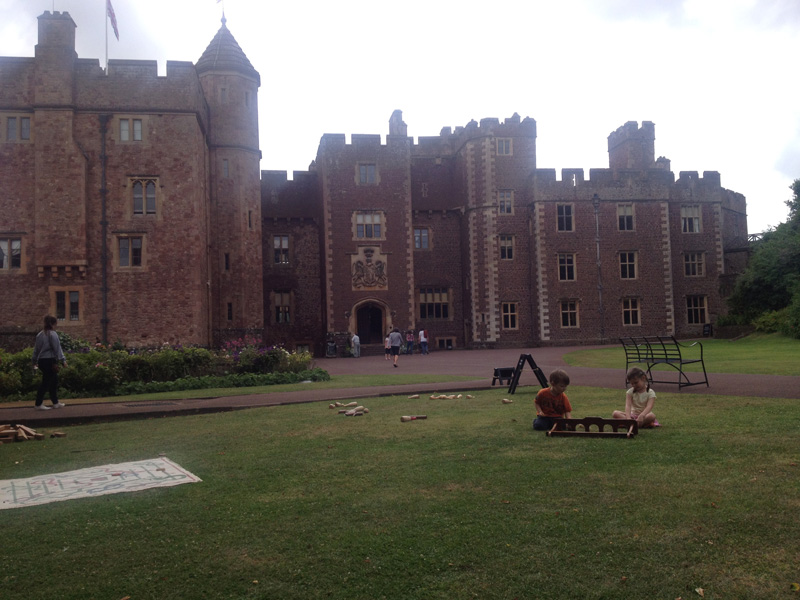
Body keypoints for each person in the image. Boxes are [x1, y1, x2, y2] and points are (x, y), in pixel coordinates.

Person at [31, 315, 67, 410]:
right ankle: (38, 404)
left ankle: (55, 402)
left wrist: (34, 360)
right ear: (52, 324)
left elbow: (36, 350)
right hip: (50, 360)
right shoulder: (52, 334)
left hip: (42, 361)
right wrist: (63, 360)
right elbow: (57, 348)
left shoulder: (40, 335)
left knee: (53, 381)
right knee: (46, 382)